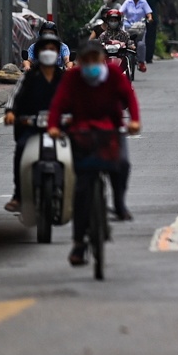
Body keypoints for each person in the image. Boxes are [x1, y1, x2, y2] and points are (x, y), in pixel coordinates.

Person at [47, 41, 141, 267]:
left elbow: (129, 98)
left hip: (111, 131)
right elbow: (58, 104)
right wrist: (53, 126)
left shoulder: (115, 74)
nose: (91, 66)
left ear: (102, 61)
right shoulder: (73, 78)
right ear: (80, 62)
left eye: (95, 61)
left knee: (122, 164)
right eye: (85, 61)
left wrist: (135, 121)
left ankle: (119, 203)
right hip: (82, 133)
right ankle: (79, 244)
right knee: (80, 192)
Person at [3, 31, 68, 214]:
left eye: (52, 49)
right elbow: (14, 97)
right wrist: (10, 112)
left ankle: (76, 192)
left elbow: (77, 100)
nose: (48, 52)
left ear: (58, 53)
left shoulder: (65, 78)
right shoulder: (28, 77)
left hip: (60, 128)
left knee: (76, 151)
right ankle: (18, 196)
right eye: (45, 49)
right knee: (21, 151)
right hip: (31, 127)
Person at [120, 0, 154, 67]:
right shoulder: (127, 2)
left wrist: (149, 18)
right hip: (128, 26)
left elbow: (148, 13)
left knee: (141, 44)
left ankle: (141, 62)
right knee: (123, 43)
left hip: (140, 27)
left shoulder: (143, 2)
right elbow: (121, 12)